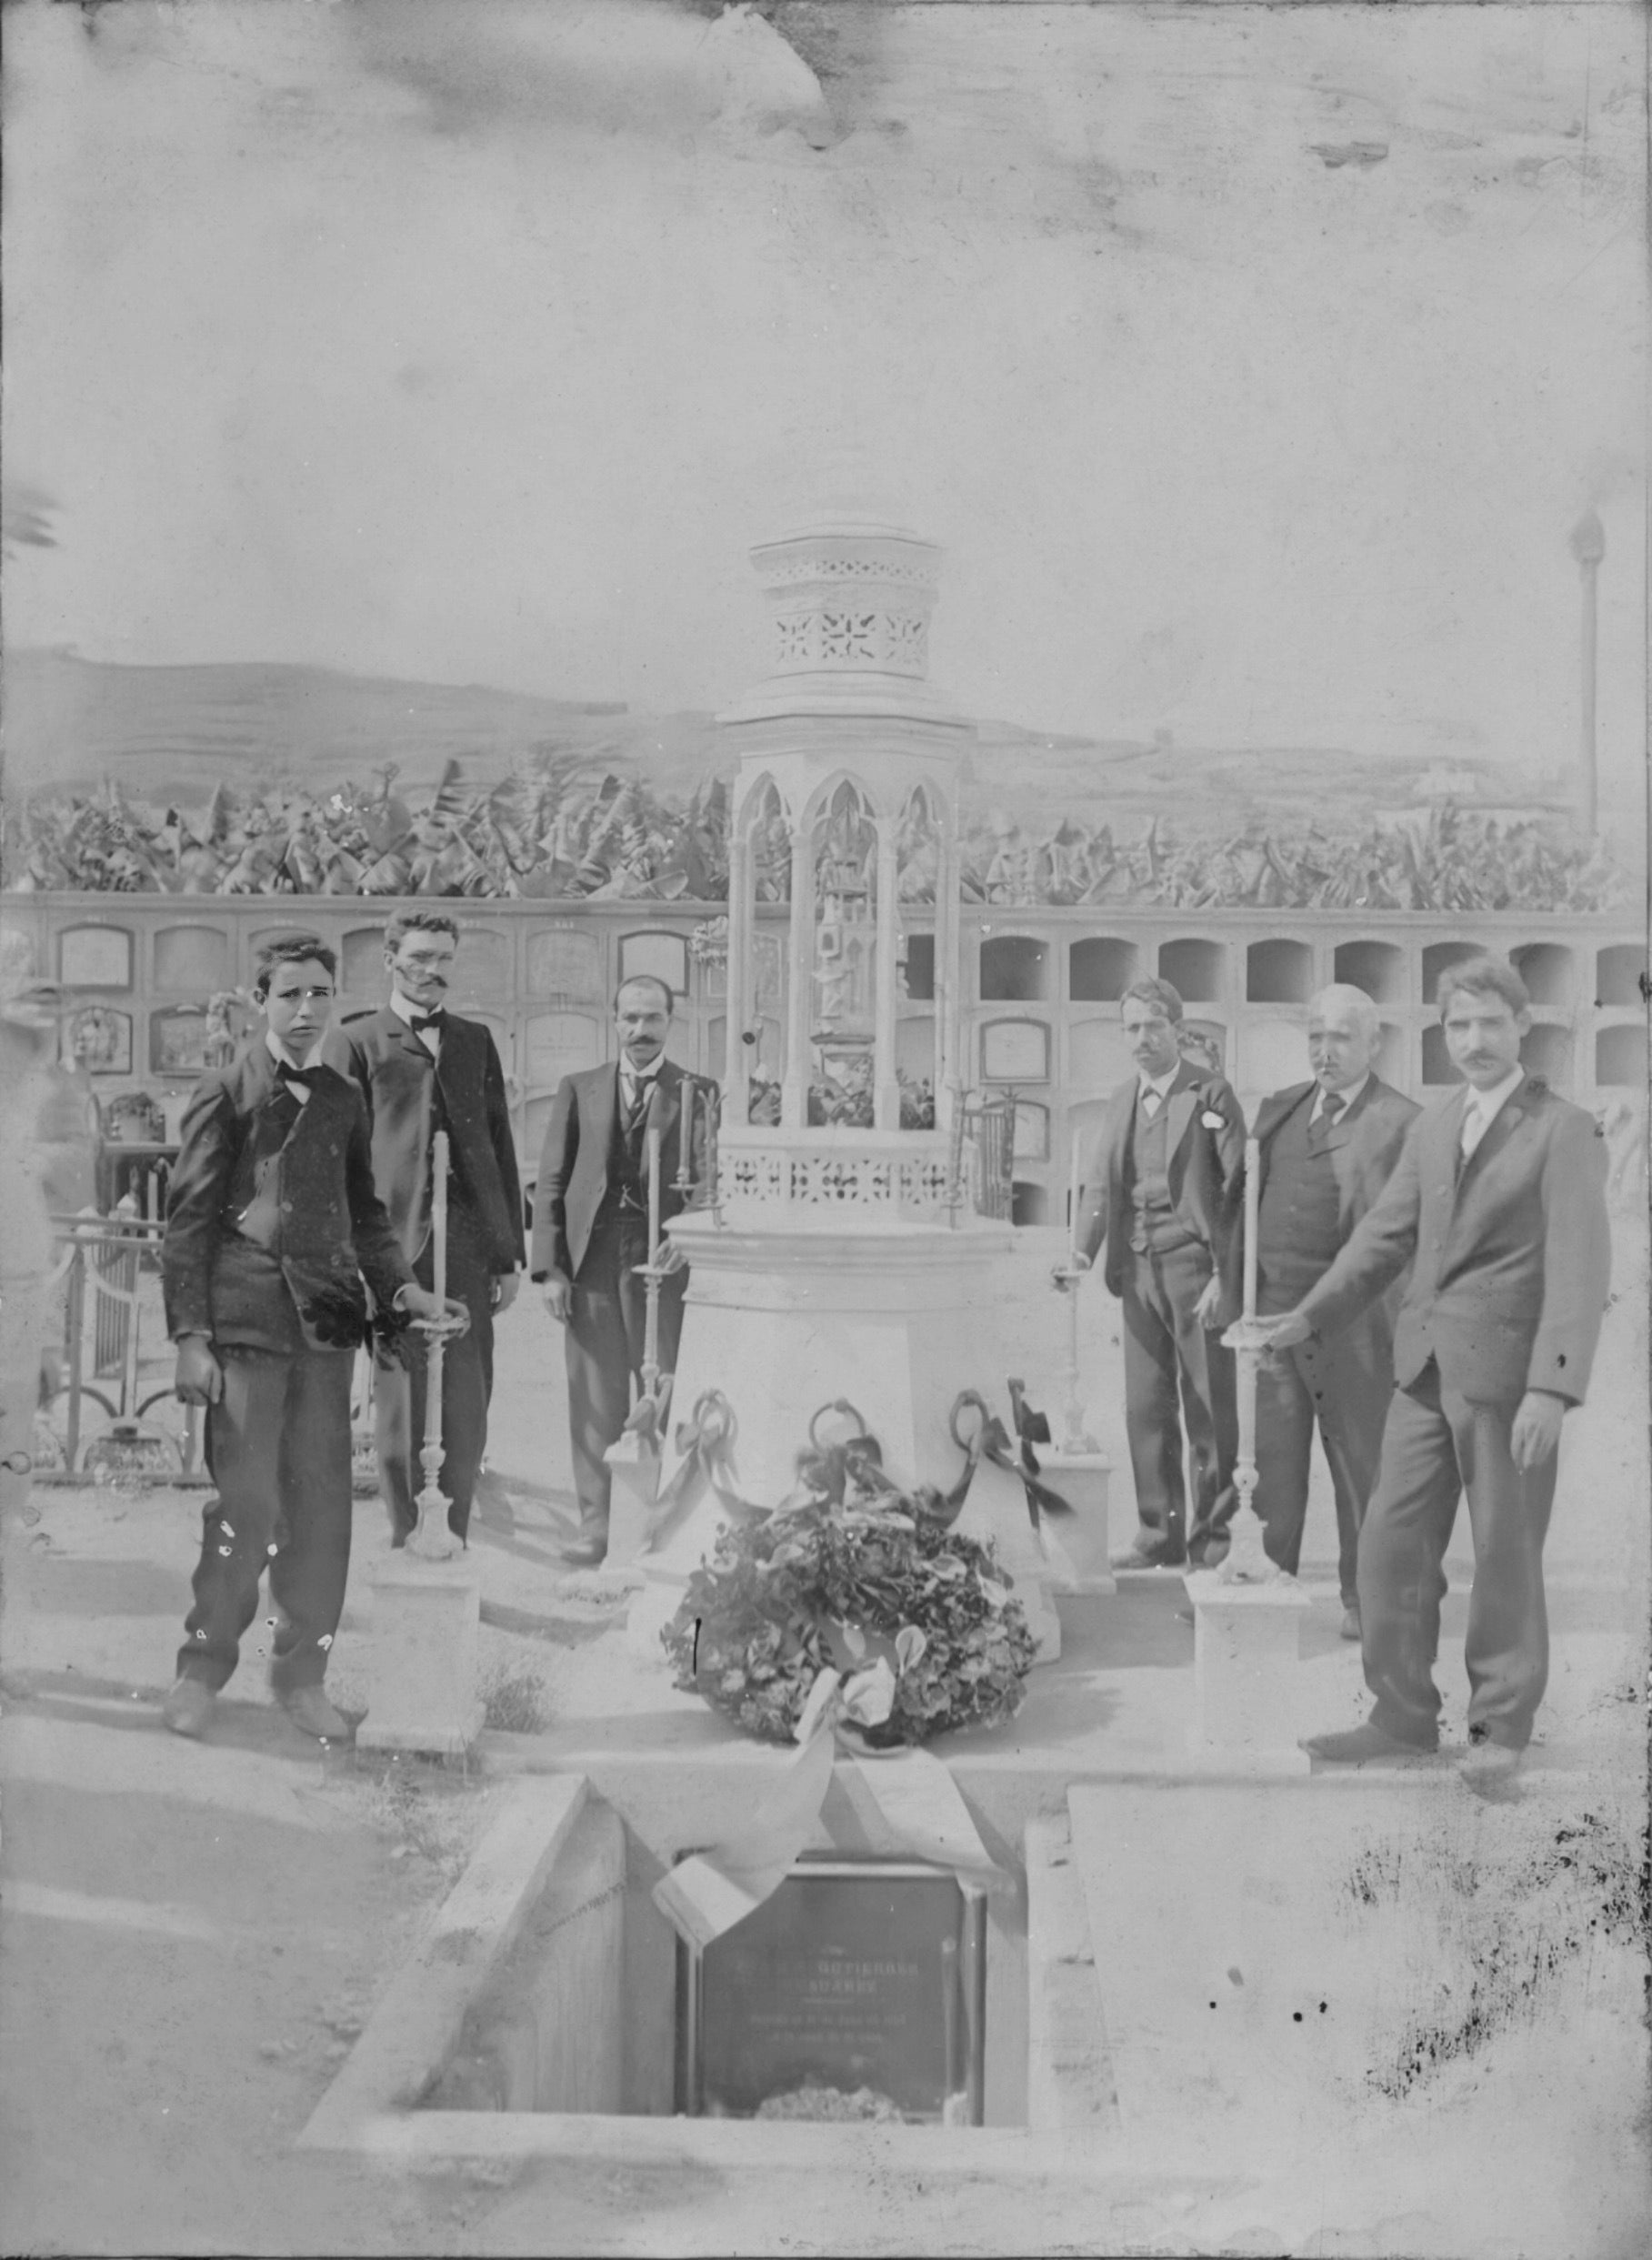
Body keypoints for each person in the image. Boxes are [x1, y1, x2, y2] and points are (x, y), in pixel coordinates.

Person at [1265, 956, 1611, 1791]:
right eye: (1457, 1025)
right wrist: (1307, 1315)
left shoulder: (1562, 1128)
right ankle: (1400, 1715)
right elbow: (1383, 1236)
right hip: (1420, 1371)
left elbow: (1579, 1266)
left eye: (1489, 1022)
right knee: (1387, 1542)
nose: (1473, 1039)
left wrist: (1551, 1388)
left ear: (1522, 1026)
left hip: (1507, 1385)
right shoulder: (1435, 1123)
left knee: (1503, 1552)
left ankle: (1498, 1728)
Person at [158, 935, 456, 1743]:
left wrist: (401, 1287)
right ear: (262, 999)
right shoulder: (226, 1092)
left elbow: (366, 1213)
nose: (306, 1010)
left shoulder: (342, 1096)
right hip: (246, 1333)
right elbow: (188, 1225)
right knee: (246, 1507)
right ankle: (200, 1669)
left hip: (325, 1333)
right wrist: (191, 1335)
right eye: (289, 994)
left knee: (324, 1513)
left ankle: (303, 1678)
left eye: (320, 993)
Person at [322, 910, 525, 1546]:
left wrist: (507, 1255)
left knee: (467, 1399)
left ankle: (452, 1538)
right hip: (392, 1250)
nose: (432, 970)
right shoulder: (356, 1042)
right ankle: (408, 1536)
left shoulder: (474, 1040)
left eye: (443, 958)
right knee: (401, 1404)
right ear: (390, 961)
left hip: (465, 1247)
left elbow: (498, 1147)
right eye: (418, 958)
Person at [1236, 986, 1419, 1637]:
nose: (1324, 1050)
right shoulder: (1280, 1109)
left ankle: (1366, 1601)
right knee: (1270, 1469)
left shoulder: (1402, 1122)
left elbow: (1404, 1238)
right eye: (1315, 1035)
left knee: (1360, 1469)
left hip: (1356, 1330)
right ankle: (1265, 1591)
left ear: (1374, 1044)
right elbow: (1244, 1206)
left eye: (1340, 1037)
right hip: (1273, 1326)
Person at [1061, 977, 1246, 1569]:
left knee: (1208, 1408)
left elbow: (1239, 1191)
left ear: (1177, 1029)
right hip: (1137, 1271)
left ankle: (1212, 1542)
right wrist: (1080, 1253)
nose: (1142, 1038)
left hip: (1194, 1267)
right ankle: (1158, 1533)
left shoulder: (1209, 1094)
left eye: (1153, 1026)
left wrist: (1225, 1277)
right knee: (1145, 1407)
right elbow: (1099, 1183)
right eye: (1132, 1027)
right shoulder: (1121, 1098)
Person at [531, 976, 708, 1566]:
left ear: (670, 1022)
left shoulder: (696, 1092)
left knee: (667, 1388)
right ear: (614, 1021)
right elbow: (552, 1180)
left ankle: (667, 1523)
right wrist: (551, 1271)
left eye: (653, 1018)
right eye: (630, 1017)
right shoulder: (579, 1088)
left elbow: (710, 1177)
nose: (641, 1029)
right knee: (594, 1397)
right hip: (592, 1260)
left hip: (663, 1262)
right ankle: (596, 1527)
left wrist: (687, 1234)